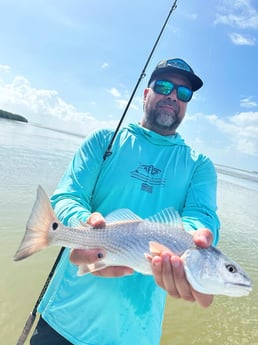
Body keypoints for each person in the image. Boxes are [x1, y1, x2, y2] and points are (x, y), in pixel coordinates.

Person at [31, 58, 220, 345]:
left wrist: (194, 241)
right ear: (146, 94)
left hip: (134, 334)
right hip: (64, 317)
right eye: (165, 86)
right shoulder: (104, 140)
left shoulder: (199, 165)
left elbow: (202, 217)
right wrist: (84, 230)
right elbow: (69, 196)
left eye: (184, 93)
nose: (173, 96)